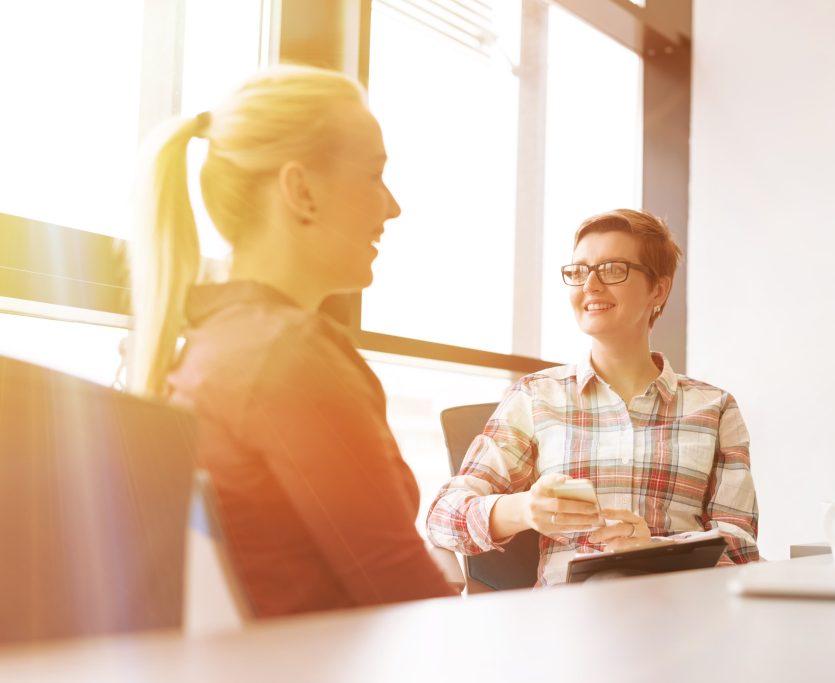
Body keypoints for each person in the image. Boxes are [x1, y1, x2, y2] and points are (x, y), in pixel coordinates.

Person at [129, 65, 456, 617]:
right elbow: (403, 593)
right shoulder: (286, 355)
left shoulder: (214, 346)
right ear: (301, 190)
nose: (392, 205)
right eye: (375, 175)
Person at [426, 209, 759, 586]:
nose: (591, 285)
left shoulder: (714, 407)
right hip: (566, 622)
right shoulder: (536, 396)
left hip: (680, 611)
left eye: (613, 269)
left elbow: (740, 546)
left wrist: (656, 550)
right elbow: (442, 517)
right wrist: (525, 509)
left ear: (658, 290)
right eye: (579, 271)